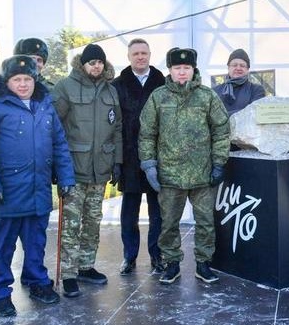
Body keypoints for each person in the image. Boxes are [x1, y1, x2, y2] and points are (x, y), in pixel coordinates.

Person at [0, 55, 75, 316]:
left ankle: (37, 281)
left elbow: (59, 145)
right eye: (17, 79)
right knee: (3, 245)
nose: (23, 84)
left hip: (39, 189)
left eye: (28, 78)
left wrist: (66, 178)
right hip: (7, 192)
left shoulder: (45, 105)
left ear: (34, 79)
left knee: (36, 241)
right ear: (7, 81)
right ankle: (1, 291)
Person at [139, 47, 230, 285]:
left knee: (206, 223)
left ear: (193, 69)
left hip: (202, 175)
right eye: (178, 68)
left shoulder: (207, 97)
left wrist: (219, 162)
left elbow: (221, 130)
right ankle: (172, 264)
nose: (182, 72)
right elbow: (147, 133)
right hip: (170, 175)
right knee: (168, 224)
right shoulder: (158, 97)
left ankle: (203, 263)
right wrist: (149, 166)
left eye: (186, 68)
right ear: (170, 70)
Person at [52, 44, 123, 297]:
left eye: (100, 62)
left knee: (93, 221)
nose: (96, 66)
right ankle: (68, 274)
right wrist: (55, 165)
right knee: (71, 225)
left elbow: (117, 129)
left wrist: (117, 161)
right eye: (92, 62)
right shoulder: (65, 87)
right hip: (73, 169)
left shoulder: (111, 91)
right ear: (83, 64)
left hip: (99, 170)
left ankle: (85, 266)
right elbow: (54, 126)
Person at [111, 38, 166, 275]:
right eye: (136, 53)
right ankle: (129, 256)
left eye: (144, 53)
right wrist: (116, 159)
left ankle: (157, 256)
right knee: (129, 212)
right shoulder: (118, 84)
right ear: (129, 57)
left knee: (158, 212)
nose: (140, 57)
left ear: (150, 55)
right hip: (130, 157)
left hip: (158, 156)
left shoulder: (163, 82)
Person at [212, 48, 266, 116]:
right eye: (234, 65)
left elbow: (254, 113)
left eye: (242, 65)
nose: (238, 68)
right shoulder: (215, 91)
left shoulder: (256, 90)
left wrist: (222, 116)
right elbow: (211, 117)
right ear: (228, 67)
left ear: (247, 69)